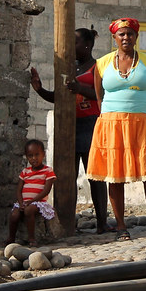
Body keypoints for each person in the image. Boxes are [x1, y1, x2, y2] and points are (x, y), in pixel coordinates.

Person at [85, 17, 146, 240]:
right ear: (114, 37)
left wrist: (139, 111)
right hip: (111, 125)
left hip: (142, 123)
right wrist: (113, 116)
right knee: (115, 175)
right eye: (121, 34)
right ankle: (121, 227)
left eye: (130, 33)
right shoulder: (102, 64)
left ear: (136, 37)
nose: (126, 38)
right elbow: (99, 97)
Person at [29, 27, 110, 234]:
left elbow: (102, 94)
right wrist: (40, 90)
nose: (70, 47)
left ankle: (102, 223)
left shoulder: (97, 67)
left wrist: (80, 88)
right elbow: (60, 98)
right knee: (67, 176)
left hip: (91, 124)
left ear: (87, 45)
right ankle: (66, 223)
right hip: (69, 126)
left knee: (95, 176)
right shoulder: (69, 67)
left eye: (74, 42)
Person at [8, 139, 57, 247]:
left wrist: (32, 201)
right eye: (30, 156)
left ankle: (31, 238)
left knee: (29, 211)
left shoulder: (48, 171)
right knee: (14, 214)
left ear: (43, 154)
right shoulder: (25, 172)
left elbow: (46, 190)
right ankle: (11, 238)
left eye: (37, 154)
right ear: (27, 157)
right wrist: (21, 203)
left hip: (38, 202)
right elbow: (19, 190)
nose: (34, 158)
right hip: (24, 202)